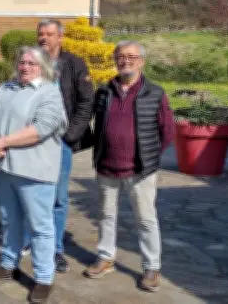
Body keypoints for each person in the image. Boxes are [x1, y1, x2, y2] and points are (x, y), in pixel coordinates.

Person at [82, 41, 174, 293]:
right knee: (106, 216)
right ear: (115, 60)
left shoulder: (155, 92)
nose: (126, 61)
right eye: (121, 56)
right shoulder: (104, 90)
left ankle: (152, 267)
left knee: (146, 220)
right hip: (106, 166)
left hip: (140, 170)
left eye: (132, 57)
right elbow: (93, 122)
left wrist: (150, 156)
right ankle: (105, 258)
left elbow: (167, 130)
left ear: (142, 61)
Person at [0, 46, 68, 304]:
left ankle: (43, 278)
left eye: (32, 63)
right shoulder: (6, 88)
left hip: (35, 171)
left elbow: (41, 128)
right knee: (8, 219)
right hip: (5, 167)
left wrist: (2, 141)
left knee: (40, 226)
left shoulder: (49, 92)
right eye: (22, 62)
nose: (25, 67)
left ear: (43, 67)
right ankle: (8, 264)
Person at [20, 19, 94, 273]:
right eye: (40, 34)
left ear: (60, 37)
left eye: (50, 34)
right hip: (31, 141)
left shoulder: (74, 64)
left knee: (58, 198)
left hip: (60, 142)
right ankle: (29, 241)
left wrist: (70, 136)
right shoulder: (30, 63)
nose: (44, 38)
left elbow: (86, 104)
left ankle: (55, 249)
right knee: (30, 193)